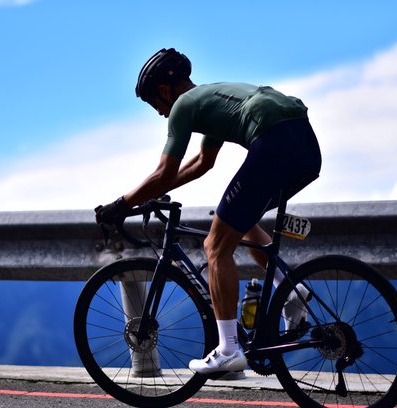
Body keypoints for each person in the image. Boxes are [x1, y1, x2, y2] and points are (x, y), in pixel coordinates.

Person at [95, 48, 322, 375]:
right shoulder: (211, 99)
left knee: (215, 246)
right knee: (238, 219)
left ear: (164, 90)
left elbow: (164, 172)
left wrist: (121, 205)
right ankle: (292, 289)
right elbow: (202, 163)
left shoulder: (183, 106)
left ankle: (228, 349)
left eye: (155, 105)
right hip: (304, 146)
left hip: (273, 140)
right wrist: (152, 194)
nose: (160, 113)